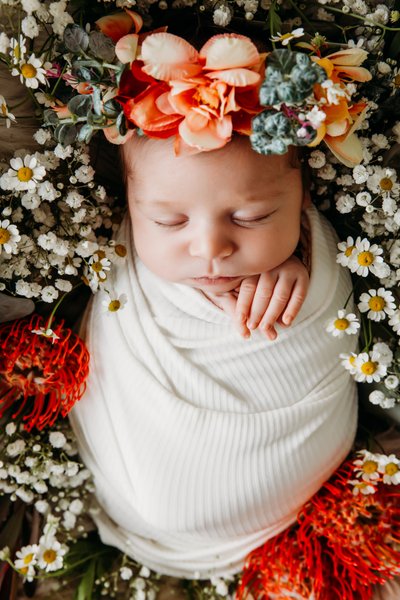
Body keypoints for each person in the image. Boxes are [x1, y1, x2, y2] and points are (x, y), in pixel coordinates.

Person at [69, 131, 359, 584]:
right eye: (168, 221)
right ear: (129, 203)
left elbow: (333, 333)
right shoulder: (123, 257)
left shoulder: (320, 281)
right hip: (128, 484)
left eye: (251, 217)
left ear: (304, 192)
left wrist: (304, 253)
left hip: (275, 502)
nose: (210, 250)